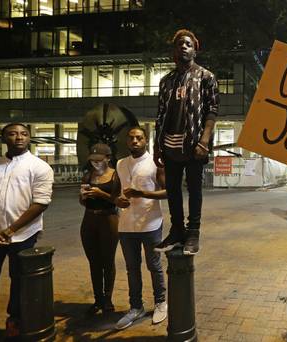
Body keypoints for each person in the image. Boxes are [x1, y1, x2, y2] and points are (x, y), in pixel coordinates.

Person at [0, 123, 54, 340]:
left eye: (24, 134)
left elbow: (40, 204)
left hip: (23, 236)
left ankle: (14, 322)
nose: (19, 137)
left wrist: (11, 230)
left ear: (29, 138)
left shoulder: (40, 167)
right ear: (4, 138)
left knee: (20, 282)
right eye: (12, 134)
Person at [153, 28, 219, 255]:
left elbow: (212, 111)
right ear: (174, 50)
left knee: (194, 189)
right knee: (172, 190)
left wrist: (204, 140)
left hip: (194, 143)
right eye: (180, 44)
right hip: (170, 142)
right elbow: (160, 114)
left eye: (188, 44)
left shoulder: (206, 77)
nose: (184, 46)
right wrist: (156, 145)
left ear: (195, 50)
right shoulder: (166, 81)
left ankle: (193, 233)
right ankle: (177, 230)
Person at [113, 127, 168, 330]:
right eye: (131, 138)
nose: (135, 141)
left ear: (146, 140)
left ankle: (161, 303)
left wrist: (142, 193)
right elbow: (116, 193)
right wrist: (117, 200)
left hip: (150, 223)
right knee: (132, 269)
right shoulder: (120, 164)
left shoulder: (155, 163)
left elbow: (168, 192)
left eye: (139, 138)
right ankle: (136, 307)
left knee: (154, 265)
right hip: (126, 225)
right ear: (127, 142)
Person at [79, 143, 119, 316]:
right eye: (92, 160)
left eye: (99, 160)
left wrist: (101, 194)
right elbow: (82, 202)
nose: (95, 163)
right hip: (89, 219)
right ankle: (98, 299)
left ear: (108, 159)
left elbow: (119, 200)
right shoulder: (88, 176)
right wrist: (83, 197)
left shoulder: (115, 175)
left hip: (108, 219)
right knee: (94, 261)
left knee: (107, 260)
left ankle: (108, 298)